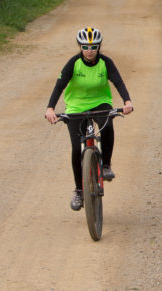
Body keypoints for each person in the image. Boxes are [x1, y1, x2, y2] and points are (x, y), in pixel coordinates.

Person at [45, 27, 134, 211]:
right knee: (76, 148)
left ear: (99, 47)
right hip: (76, 107)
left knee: (107, 125)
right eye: (85, 47)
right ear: (80, 47)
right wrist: (50, 108)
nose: (89, 51)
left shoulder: (106, 63)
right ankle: (79, 190)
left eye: (93, 47)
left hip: (100, 102)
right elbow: (59, 85)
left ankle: (107, 165)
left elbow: (118, 81)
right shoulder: (73, 63)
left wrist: (127, 101)